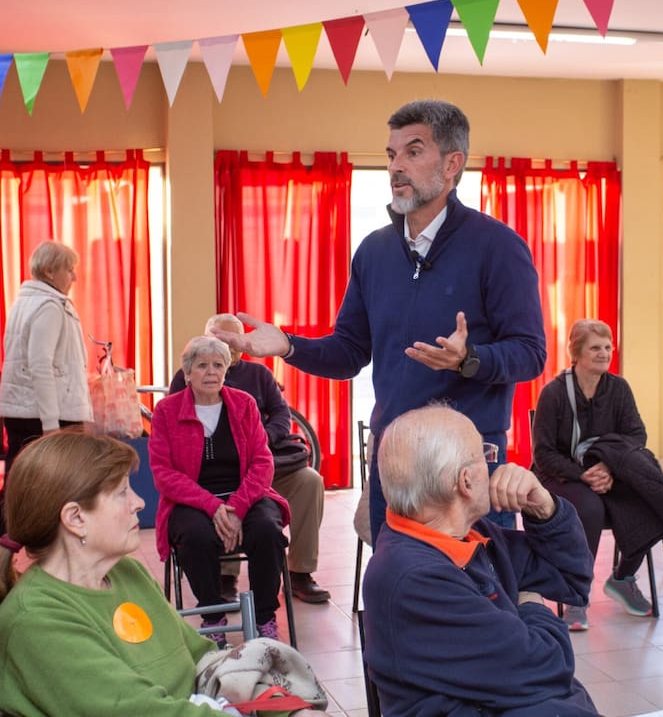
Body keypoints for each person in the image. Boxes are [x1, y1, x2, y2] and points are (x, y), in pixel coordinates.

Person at [213, 99, 546, 542]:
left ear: (452, 164)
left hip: (466, 461)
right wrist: (289, 345)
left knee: (472, 598)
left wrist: (470, 360)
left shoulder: (498, 247)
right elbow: (349, 352)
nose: (396, 167)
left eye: (413, 151)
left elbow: (531, 353)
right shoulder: (374, 251)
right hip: (394, 459)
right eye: (391, 155)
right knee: (397, 595)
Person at [362, 404, 598, 717]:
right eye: (485, 454)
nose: (495, 464)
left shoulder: (471, 535)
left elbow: (571, 580)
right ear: (465, 481)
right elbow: (549, 665)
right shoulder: (412, 577)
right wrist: (531, 604)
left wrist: (545, 510)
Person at [0, 430, 224, 716]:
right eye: (122, 493)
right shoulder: (35, 619)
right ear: (76, 518)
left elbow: (200, 655)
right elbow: (139, 712)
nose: (139, 502)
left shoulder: (128, 572)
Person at [531, 319, 663, 626]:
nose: (604, 353)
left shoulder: (618, 388)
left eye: (608, 347)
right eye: (595, 347)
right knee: (590, 509)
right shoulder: (553, 393)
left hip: (611, 471)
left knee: (647, 499)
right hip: (562, 475)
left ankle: (623, 578)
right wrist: (583, 475)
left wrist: (608, 466)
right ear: (576, 352)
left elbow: (636, 435)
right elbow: (543, 454)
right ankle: (576, 593)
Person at [169, 313, 330, 605]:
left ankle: (299, 573)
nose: (228, 349)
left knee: (310, 481)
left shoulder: (259, 375)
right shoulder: (187, 377)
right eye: (220, 340)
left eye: (234, 342)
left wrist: (261, 438)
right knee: (223, 491)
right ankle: (225, 575)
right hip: (213, 473)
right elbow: (174, 425)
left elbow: (282, 414)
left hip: (263, 465)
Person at [150, 336, 291, 643]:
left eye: (218, 365)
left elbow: (262, 463)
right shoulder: (166, 411)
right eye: (202, 365)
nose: (211, 372)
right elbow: (163, 474)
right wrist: (213, 507)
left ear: (226, 370)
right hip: (191, 499)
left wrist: (237, 509)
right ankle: (214, 619)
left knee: (267, 530)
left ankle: (264, 620)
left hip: (245, 494)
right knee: (195, 536)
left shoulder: (244, 404)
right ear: (187, 374)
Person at [0, 239, 93, 549]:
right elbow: (40, 366)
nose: (73, 277)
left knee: (19, 487)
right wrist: (50, 425)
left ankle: (8, 557)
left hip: (31, 412)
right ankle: (13, 558)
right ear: (49, 270)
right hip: (44, 416)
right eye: (69, 269)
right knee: (34, 490)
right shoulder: (49, 306)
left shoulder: (29, 301)